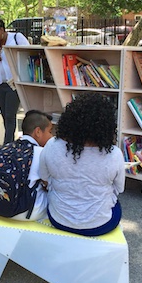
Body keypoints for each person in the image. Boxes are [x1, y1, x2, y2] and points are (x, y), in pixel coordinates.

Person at [39, 92, 125, 236]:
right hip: (100, 224)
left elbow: (45, 179)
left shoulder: (51, 146)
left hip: (59, 218)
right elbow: (119, 189)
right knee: (115, 205)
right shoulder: (114, 154)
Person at [0, 17, 30, 144]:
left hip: (14, 84)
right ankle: (10, 142)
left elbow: (30, 54)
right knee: (5, 116)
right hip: (1, 84)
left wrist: (21, 76)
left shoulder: (17, 38)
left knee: (10, 116)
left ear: (1, 30)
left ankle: (7, 145)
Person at [8, 110, 53, 221]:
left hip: (0, 205)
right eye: (50, 131)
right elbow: (48, 185)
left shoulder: (8, 147)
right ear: (38, 132)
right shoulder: (41, 152)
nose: (52, 136)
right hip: (25, 212)